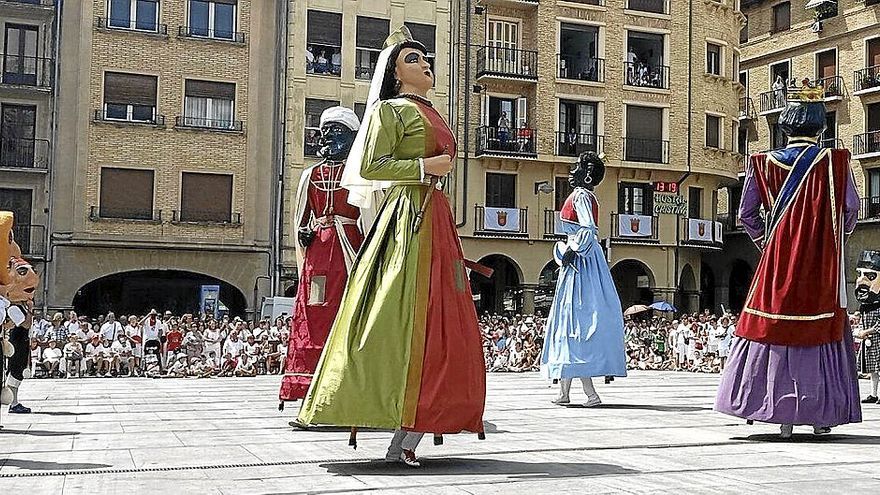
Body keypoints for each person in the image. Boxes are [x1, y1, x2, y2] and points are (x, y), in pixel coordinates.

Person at [297, 26, 486, 468]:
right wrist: (423, 165)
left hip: (433, 214)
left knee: (441, 316)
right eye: (414, 60)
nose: (426, 65)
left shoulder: (431, 111)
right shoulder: (391, 110)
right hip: (408, 217)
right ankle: (394, 420)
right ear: (396, 74)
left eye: (426, 59)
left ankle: (417, 424)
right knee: (401, 315)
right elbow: (371, 164)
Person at [715, 82, 862, 439]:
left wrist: (768, 242)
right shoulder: (835, 162)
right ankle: (819, 415)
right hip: (819, 264)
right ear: (821, 127)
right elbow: (852, 210)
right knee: (819, 327)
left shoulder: (762, 164)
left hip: (777, 263)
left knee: (771, 325)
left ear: (784, 124)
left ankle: (773, 412)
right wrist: (829, 237)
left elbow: (747, 213)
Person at [279, 106, 364, 406]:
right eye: (325, 131)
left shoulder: (359, 173)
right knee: (315, 314)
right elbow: (301, 215)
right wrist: (304, 231)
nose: (327, 137)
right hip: (318, 251)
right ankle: (308, 383)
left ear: (352, 138)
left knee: (347, 311)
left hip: (348, 250)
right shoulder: (310, 174)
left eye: (336, 131)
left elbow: (367, 215)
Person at [542, 152, 626, 407]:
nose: (571, 169)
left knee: (576, 320)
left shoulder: (580, 195)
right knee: (570, 321)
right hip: (582, 262)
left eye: (577, 167)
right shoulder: (586, 196)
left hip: (581, 261)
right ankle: (565, 392)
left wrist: (571, 249)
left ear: (587, 174)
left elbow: (588, 228)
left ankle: (590, 393)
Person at [854, 250, 880, 404]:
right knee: (872, 369)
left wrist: (866, 332)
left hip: (876, 339)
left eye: (870, 276)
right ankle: (873, 394)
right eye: (860, 274)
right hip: (869, 341)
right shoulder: (866, 304)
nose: (862, 280)